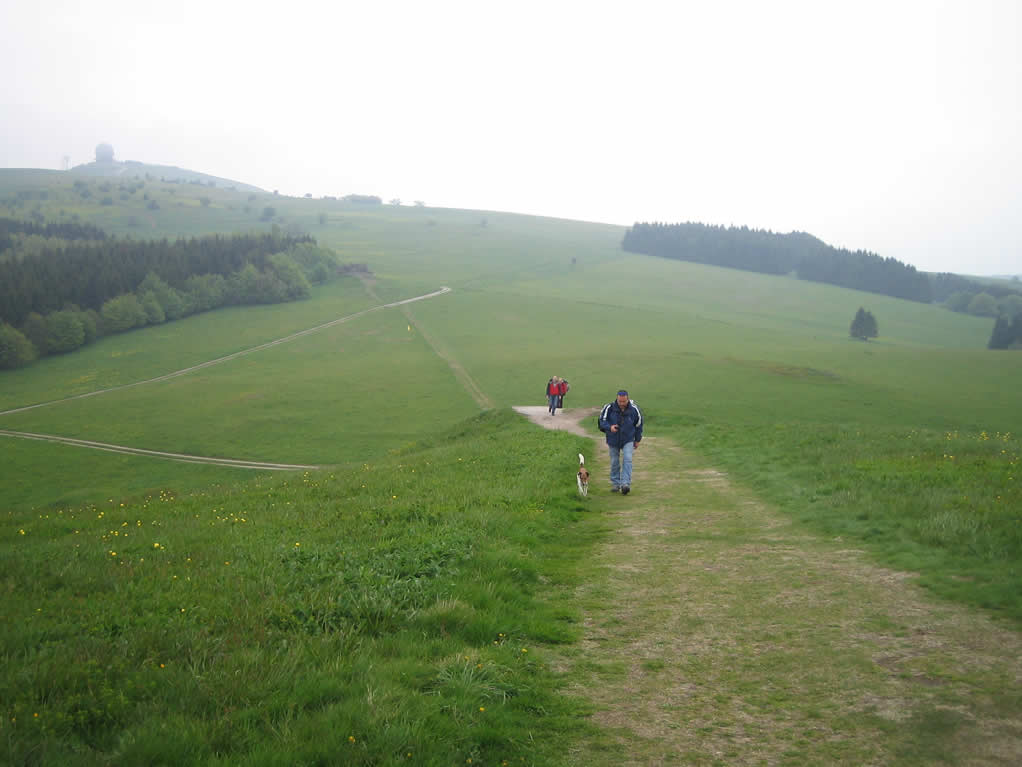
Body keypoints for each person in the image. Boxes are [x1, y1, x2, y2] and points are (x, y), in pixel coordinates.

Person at [598, 389, 643, 494]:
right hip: (613, 439)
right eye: (620, 401)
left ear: (628, 399)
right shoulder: (609, 408)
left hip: (628, 439)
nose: (622, 403)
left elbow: (639, 425)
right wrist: (610, 427)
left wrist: (637, 440)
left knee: (628, 459)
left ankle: (625, 484)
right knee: (614, 461)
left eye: (624, 401)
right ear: (617, 399)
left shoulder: (634, 409)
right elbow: (602, 421)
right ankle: (615, 483)